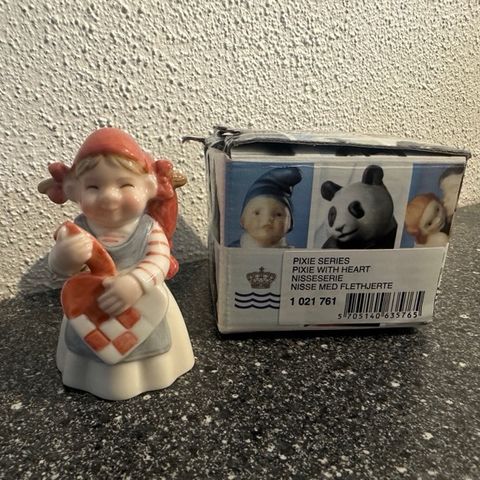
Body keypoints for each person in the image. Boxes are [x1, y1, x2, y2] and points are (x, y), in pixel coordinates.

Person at [38, 127, 194, 400]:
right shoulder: (75, 230)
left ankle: (155, 371)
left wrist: (136, 282)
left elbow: (159, 258)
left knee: (152, 344)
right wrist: (65, 256)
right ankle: (88, 374)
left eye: (125, 185)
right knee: (90, 346)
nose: (109, 196)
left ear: (147, 188)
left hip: (144, 300)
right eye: (94, 187)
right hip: (92, 306)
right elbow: (59, 269)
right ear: (75, 191)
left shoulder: (149, 228)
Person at [231, 166, 302, 248]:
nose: (267, 219)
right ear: (242, 220)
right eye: (257, 213)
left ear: (290, 223)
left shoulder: (292, 254)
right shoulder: (231, 250)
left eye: (278, 214)